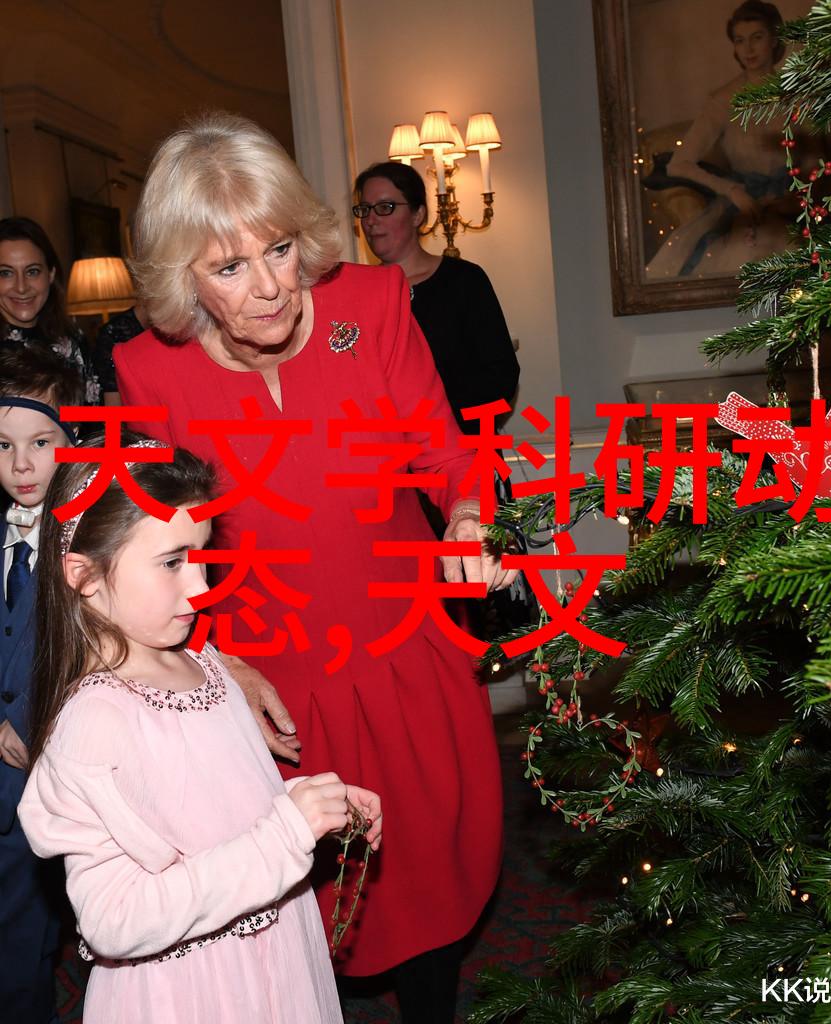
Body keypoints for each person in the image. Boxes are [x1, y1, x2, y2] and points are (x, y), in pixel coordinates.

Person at [113, 111, 516, 1023]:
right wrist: (217, 664)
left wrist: (465, 515)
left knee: (426, 884)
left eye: (281, 249)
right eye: (228, 268)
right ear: (183, 278)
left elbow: (446, 454)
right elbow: (162, 550)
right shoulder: (150, 371)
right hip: (271, 685)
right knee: (292, 912)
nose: (269, 288)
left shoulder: (370, 307)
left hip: (403, 652)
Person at [18, 433, 382, 1024]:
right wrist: (283, 835)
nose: (201, 586)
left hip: (273, 951)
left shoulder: (204, 663)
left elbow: (215, 814)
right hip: (195, 990)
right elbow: (113, 920)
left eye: (202, 554)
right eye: (171, 562)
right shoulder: (95, 722)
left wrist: (308, 804)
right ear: (83, 576)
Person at [0, 346, 82, 1024]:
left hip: (44, 770)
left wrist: (31, 716)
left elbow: (90, 646)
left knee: (24, 939)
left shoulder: (82, 541)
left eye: (40, 442)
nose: (21, 465)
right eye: (3, 446)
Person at [353, 160, 519, 434]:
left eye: (385, 207)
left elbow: (501, 376)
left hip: (464, 445)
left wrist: (436, 421)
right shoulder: (356, 293)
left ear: (418, 215)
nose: (370, 220)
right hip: (391, 453)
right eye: (364, 209)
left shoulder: (464, 280)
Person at [645, 1, 799, 279]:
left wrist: (794, 196)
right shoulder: (723, 100)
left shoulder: (795, 95)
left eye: (757, 37)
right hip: (746, 207)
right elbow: (679, 164)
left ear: (775, 39)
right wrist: (732, 191)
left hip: (793, 204)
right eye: (740, 40)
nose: (748, 49)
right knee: (748, 257)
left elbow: (819, 157)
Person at [0, 218, 101, 403]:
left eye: (32, 271)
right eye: (5, 273)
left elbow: (92, 416)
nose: (21, 287)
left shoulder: (72, 340)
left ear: (51, 274)